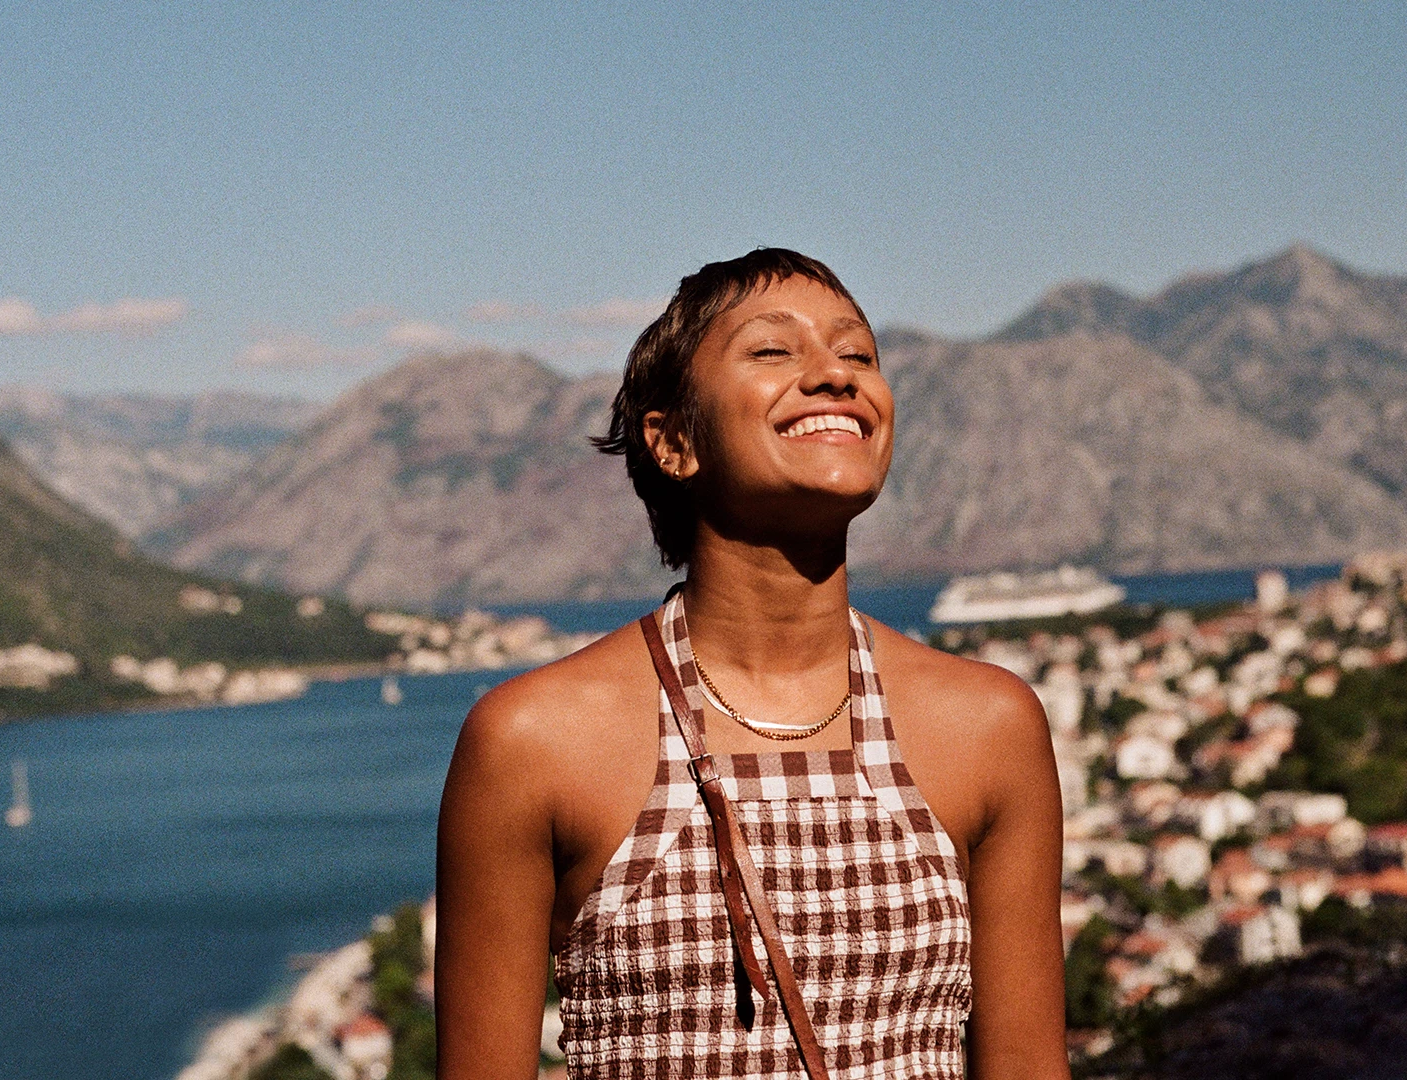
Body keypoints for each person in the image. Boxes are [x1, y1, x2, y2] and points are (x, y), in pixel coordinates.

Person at [436, 249, 1068, 1078]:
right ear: (672, 441)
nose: (835, 376)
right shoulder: (534, 740)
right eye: (774, 352)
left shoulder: (989, 726)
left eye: (858, 355)